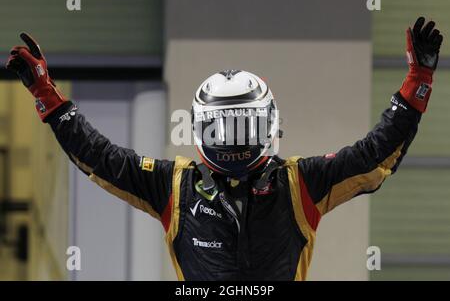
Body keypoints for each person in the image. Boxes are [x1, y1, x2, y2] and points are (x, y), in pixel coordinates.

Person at [5, 17, 443, 281]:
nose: (232, 142)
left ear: (267, 125)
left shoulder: (297, 182)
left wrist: (417, 81)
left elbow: (375, 155)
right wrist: (45, 93)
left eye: (242, 126)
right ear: (200, 128)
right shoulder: (176, 185)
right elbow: (98, 156)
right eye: (222, 129)